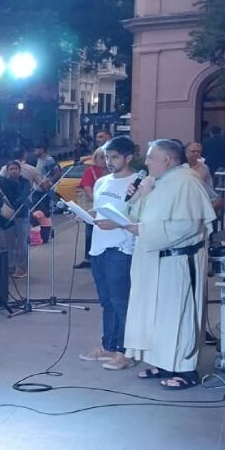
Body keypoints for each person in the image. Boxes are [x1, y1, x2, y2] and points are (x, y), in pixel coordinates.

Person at [101, 139, 216, 389]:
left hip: (177, 262)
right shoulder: (157, 182)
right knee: (158, 317)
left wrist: (141, 228)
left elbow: (188, 226)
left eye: (152, 157)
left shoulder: (186, 182)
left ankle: (185, 370)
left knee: (178, 316)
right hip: (155, 260)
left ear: (168, 160)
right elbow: (138, 214)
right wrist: (136, 198)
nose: (147, 162)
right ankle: (164, 362)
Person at [78, 137, 138, 370]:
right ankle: (109, 346)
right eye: (106, 157)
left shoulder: (138, 182)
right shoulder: (102, 181)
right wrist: (83, 214)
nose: (109, 161)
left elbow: (139, 216)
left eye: (114, 157)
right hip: (99, 247)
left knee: (120, 301)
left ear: (128, 158)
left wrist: (118, 225)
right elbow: (99, 209)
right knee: (107, 302)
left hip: (121, 247)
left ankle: (126, 351)